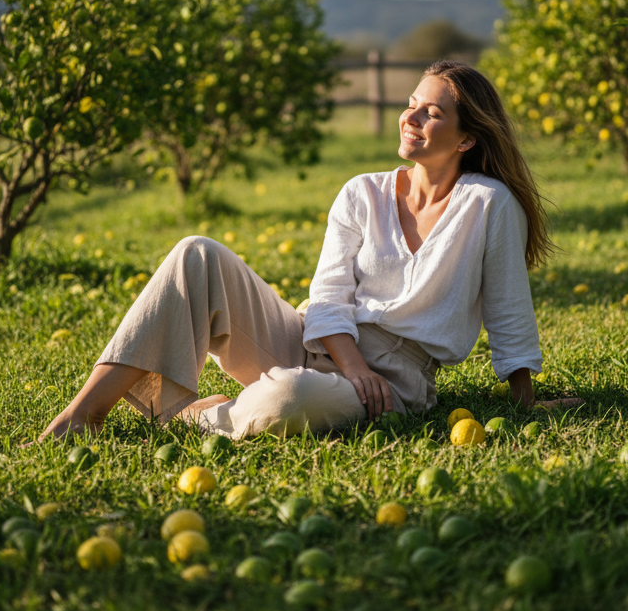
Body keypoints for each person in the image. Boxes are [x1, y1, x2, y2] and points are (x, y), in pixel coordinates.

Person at [38, 61, 580, 442]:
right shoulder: (362, 192)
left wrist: (526, 400)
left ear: (466, 139)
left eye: (430, 114)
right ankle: (83, 415)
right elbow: (326, 296)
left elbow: (510, 309)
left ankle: (188, 416)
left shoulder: (489, 205)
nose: (410, 117)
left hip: (394, 381)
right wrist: (349, 363)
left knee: (292, 398)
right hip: (306, 337)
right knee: (195, 251)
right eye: (411, 105)